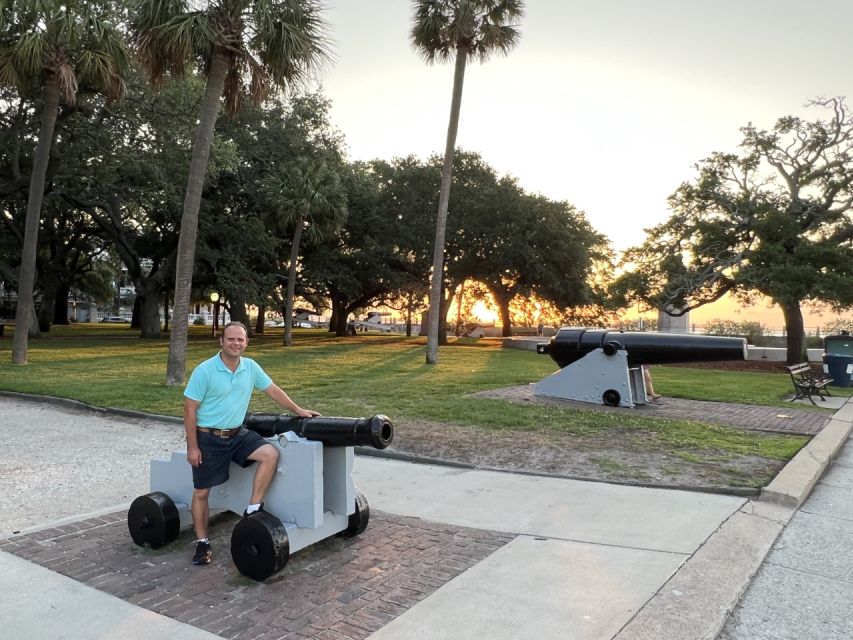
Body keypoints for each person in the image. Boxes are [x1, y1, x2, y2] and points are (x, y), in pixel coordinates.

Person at [183, 321, 319, 566]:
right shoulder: (205, 371)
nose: (235, 343)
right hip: (209, 437)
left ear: (246, 343)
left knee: (269, 454)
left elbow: (273, 390)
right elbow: (189, 410)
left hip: (237, 434)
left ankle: (253, 507)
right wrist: (192, 447)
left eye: (240, 340)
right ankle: (202, 543)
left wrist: (298, 410)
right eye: (231, 339)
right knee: (201, 492)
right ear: (221, 341)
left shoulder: (250, 367)